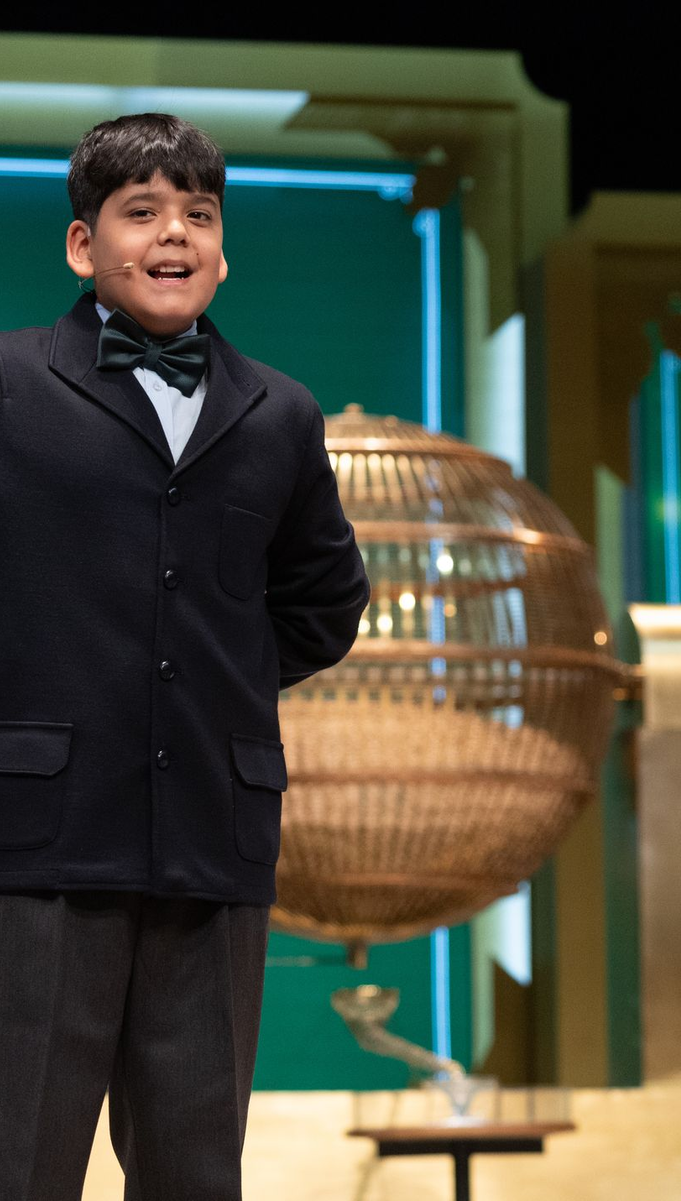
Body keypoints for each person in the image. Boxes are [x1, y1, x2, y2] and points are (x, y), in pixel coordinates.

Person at [0, 113, 372, 1200]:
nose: (175, 234)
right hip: (38, 840)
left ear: (223, 249)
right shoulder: (11, 389)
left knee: (196, 1169)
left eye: (198, 215)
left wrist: (207, 683)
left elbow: (325, 603)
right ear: (83, 246)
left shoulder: (281, 414)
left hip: (212, 835)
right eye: (143, 211)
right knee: (21, 1157)